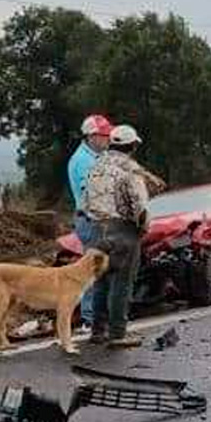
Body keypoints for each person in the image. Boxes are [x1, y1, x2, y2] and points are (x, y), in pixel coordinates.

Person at [83, 125, 151, 348]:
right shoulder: (131, 169)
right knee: (121, 282)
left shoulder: (96, 166)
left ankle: (97, 330)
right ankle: (118, 333)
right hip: (122, 229)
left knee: (101, 281)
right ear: (132, 146)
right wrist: (142, 228)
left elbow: (84, 201)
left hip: (96, 227)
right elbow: (139, 206)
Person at [67, 114, 114, 332]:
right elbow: (95, 194)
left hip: (97, 219)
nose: (107, 139)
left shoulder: (96, 157)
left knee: (100, 268)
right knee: (92, 268)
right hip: (91, 219)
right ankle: (89, 318)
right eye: (103, 135)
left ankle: (98, 315)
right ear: (91, 136)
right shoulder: (83, 161)